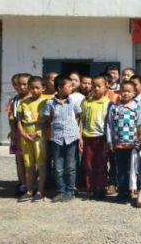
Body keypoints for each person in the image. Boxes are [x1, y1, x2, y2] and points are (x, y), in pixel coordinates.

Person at [44, 75, 82, 203]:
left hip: (72, 138)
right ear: (60, 88)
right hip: (56, 138)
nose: (72, 88)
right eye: (69, 86)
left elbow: (78, 117)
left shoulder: (74, 101)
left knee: (71, 166)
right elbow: (48, 119)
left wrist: (78, 133)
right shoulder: (50, 103)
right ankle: (61, 191)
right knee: (58, 167)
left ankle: (70, 191)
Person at [106, 81, 141, 201]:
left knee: (130, 169)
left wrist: (138, 143)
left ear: (134, 93)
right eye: (123, 91)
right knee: (120, 169)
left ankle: (129, 191)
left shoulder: (137, 108)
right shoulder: (114, 108)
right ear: (119, 92)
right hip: (118, 145)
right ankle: (122, 191)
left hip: (132, 145)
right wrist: (110, 142)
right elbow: (109, 126)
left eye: (128, 91)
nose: (125, 93)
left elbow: (140, 126)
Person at [17, 76, 49, 202]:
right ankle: (29, 190)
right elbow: (18, 120)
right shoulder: (23, 103)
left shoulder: (46, 102)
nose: (34, 90)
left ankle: (40, 191)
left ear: (43, 88)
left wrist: (38, 133)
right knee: (28, 164)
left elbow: (49, 122)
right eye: (32, 88)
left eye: (37, 87)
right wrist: (22, 134)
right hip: (26, 136)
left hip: (39, 136)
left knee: (41, 163)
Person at [79, 76, 110, 199]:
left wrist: (109, 140)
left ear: (106, 87)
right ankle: (91, 189)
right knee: (89, 165)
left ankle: (101, 189)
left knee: (102, 165)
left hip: (102, 138)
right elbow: (82, 120)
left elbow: (110, 123)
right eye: (94, 86)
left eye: (99, 86)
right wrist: (81, 137)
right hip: (88, 137)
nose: (96, 89)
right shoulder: (86, 102)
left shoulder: (108, 103)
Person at [7, 73, 30, 194]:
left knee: (33, 160)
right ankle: (23, 184)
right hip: (18, 133)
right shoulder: (13, 100)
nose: (21, 87)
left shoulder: (36, 99)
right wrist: (13, 130)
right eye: (18, 84)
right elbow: (11, 116)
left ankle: (33, 183)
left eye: (24, 84)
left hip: (32, 133)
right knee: (20, 160)